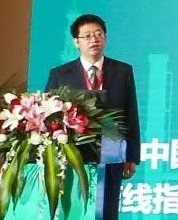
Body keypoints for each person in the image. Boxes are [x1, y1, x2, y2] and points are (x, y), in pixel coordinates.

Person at [45, 14, 140, 220]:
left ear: (105, 37)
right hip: (72, 152)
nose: (94, 40)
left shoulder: (122, 71)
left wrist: (131, 155)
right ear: (76, 42)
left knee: (107, 209)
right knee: (75, 207)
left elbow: (130, 112)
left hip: (112, 150)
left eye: (98, 34)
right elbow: (49, 115)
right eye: (87, 36)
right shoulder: (60, 74)